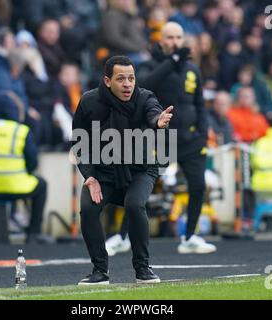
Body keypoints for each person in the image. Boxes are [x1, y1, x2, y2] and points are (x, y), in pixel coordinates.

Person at [72, 56, 172, 285]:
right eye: (121, 79)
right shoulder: (89, 102)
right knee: (88, 209)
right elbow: (79, 144)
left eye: (131, 78)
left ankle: (143, 268)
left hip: (140, 171)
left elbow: (153, 113)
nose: (128, 84)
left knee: (134, 204)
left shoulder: (145, 97)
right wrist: (90, 176)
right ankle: (99, 271)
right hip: (103, 174)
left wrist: (158, 122)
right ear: (107, 81)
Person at [137, 22, 216, 254]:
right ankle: (123, 236)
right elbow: (144, 86)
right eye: (169, 37)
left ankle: (189, 236)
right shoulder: (150, 64)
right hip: (161, 138)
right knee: (142, 187)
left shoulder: (192, 69)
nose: (174, 42)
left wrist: (202, 133)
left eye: (178, 37)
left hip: (190, 140)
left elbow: (199, 103)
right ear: (161, 40)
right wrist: (171, 62)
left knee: (198, 187)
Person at [0, 91, 48, 244]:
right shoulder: (20, 131)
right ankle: (33, 234)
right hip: (13, 188)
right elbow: (32, 162)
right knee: (42, 185)